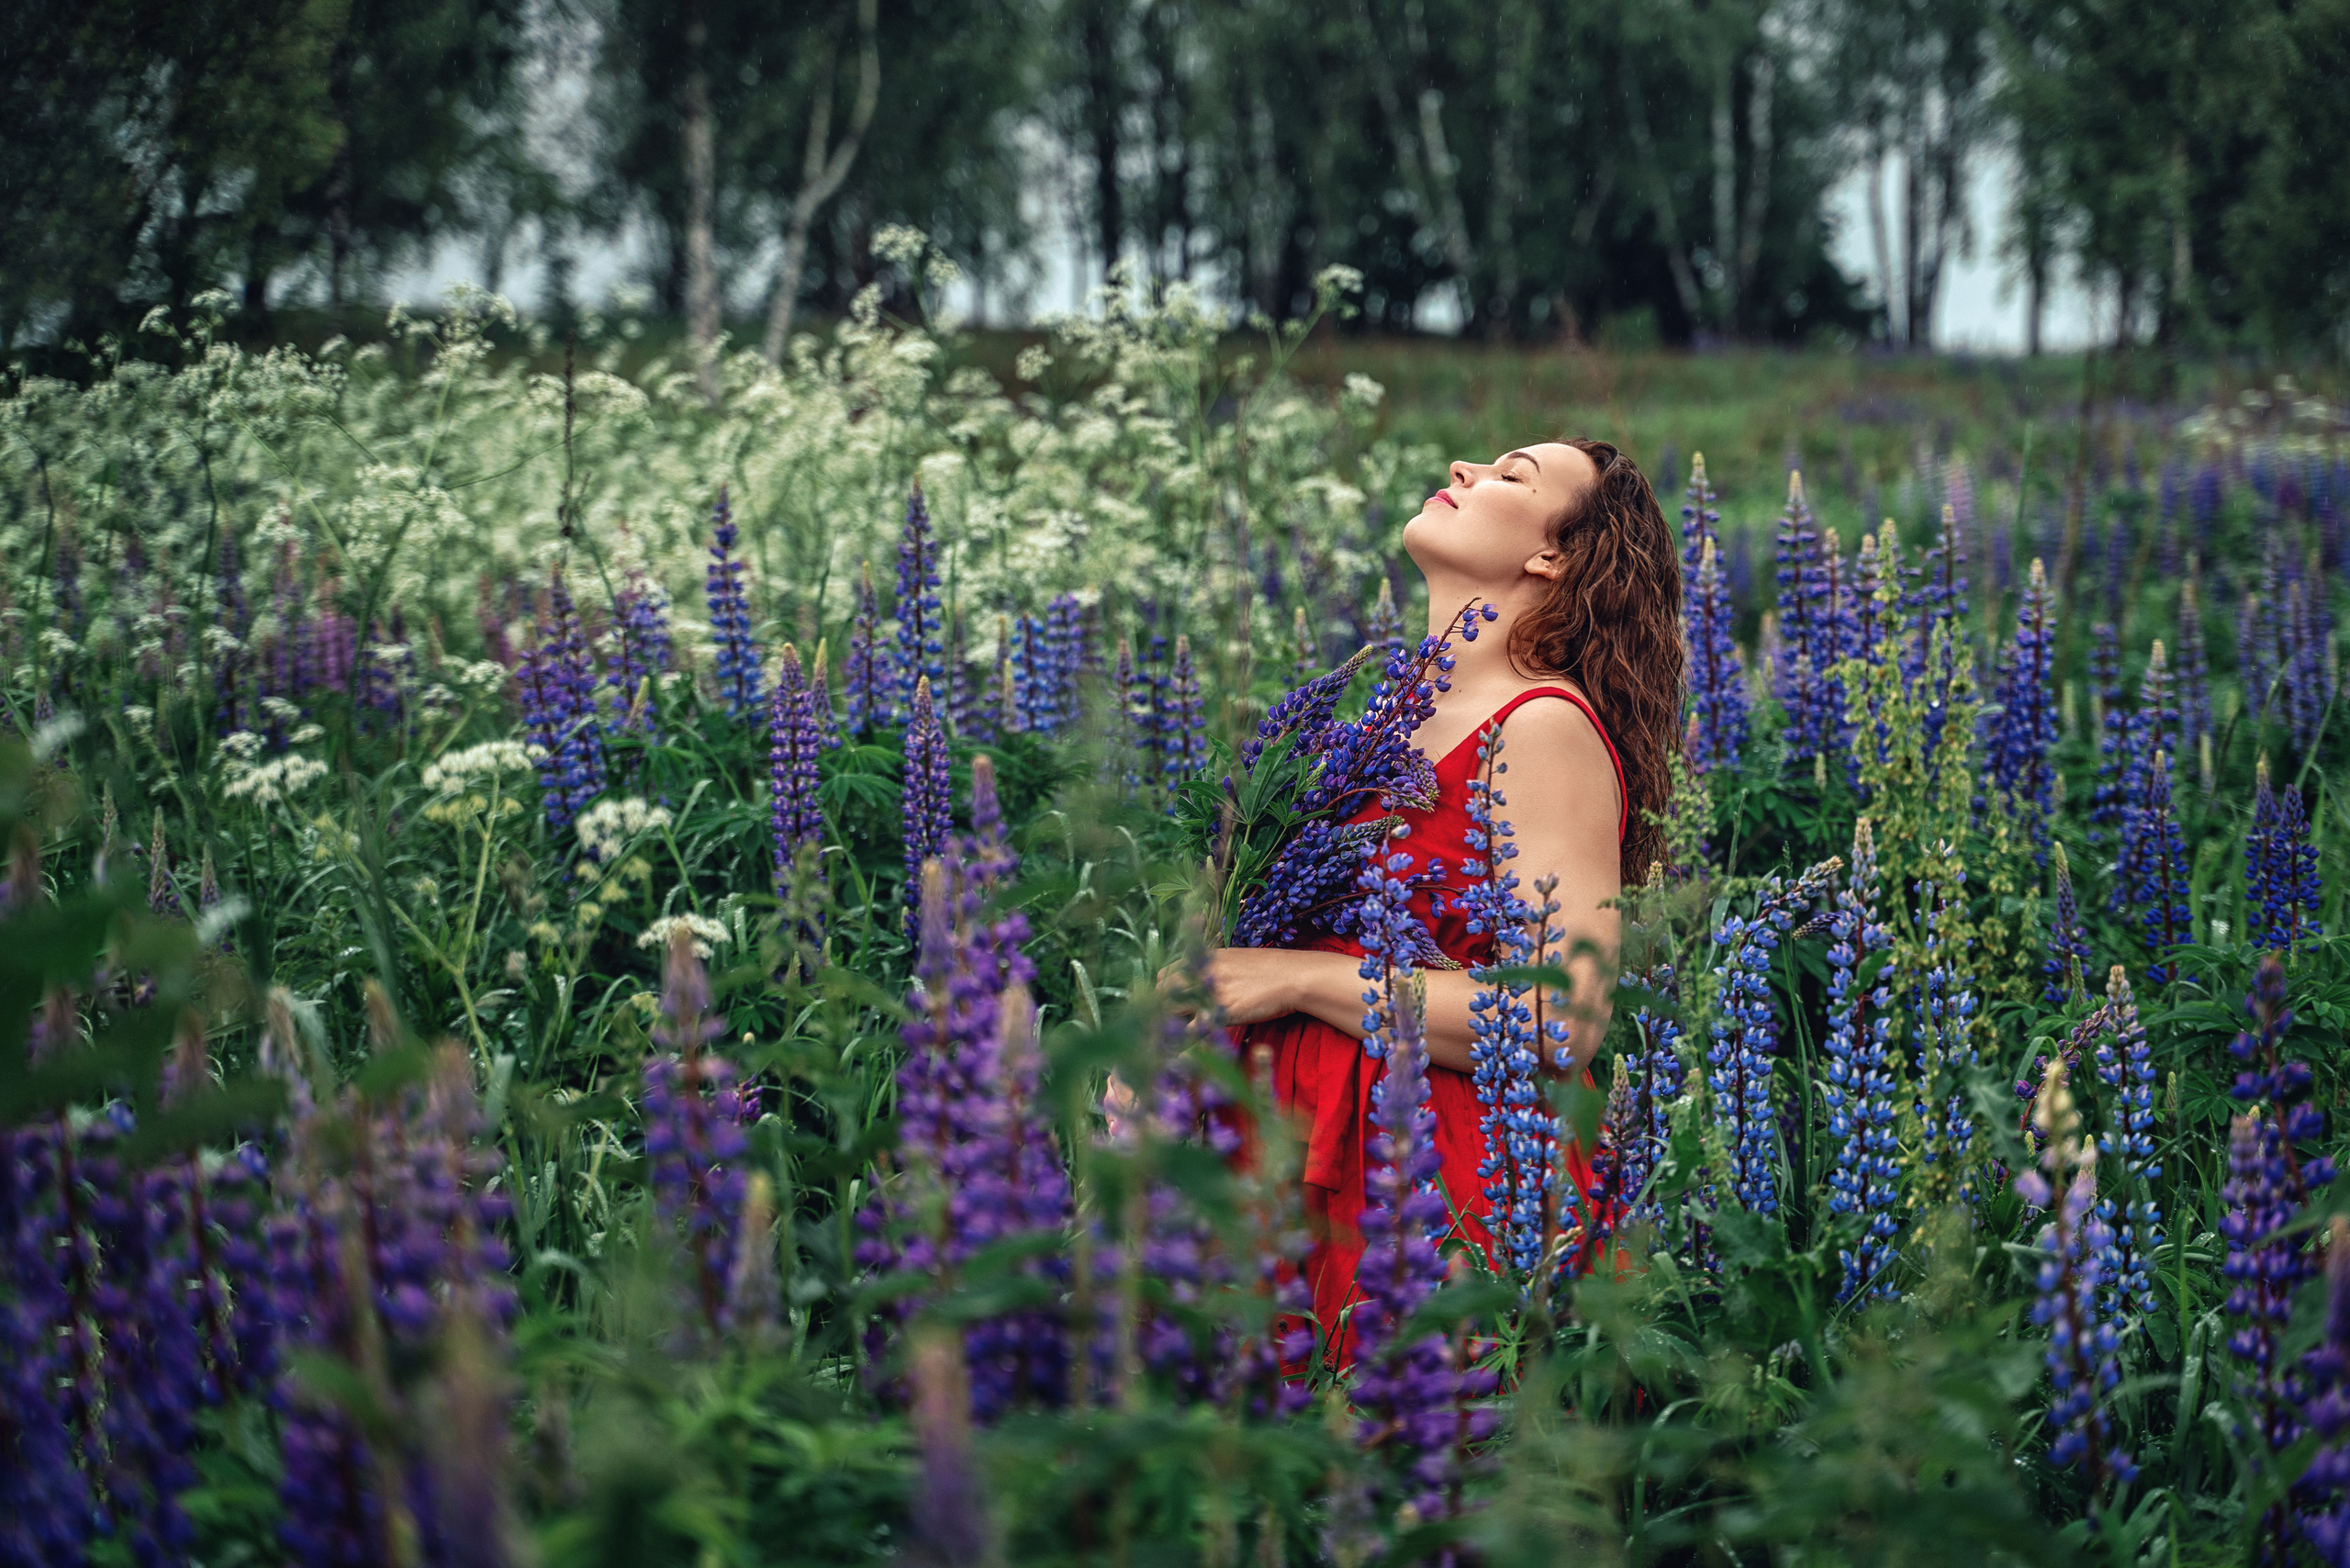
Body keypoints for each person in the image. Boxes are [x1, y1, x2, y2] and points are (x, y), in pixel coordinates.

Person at [1198, 438, 1684, 1354]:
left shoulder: (1539, 725)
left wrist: (1301, 980)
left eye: (1511, 475)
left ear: (1554, 554)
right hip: (1293, 1160)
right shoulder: (1386, 722)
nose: (1464, 470)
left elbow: (1560, 1016)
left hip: (1432, 1187)